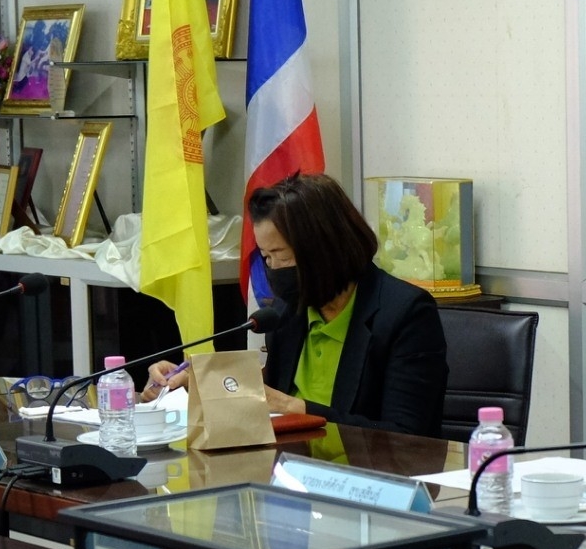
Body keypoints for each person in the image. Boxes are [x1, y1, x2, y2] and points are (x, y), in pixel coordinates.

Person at [143, 173, 448, 436]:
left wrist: (291, 406)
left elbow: (407, 436)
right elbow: (268, 386)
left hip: (367, 485)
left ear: (325, 249)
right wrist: (199, 379)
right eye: (266, 258)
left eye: (283, 257)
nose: (274, 269)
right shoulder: (288, 312)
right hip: (291, 474)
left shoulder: (405, 314)